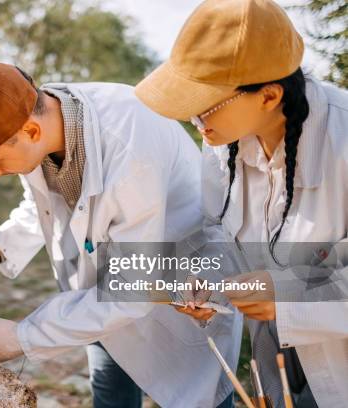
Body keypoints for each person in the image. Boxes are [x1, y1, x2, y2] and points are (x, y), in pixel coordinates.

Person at [0, 62, 240, 408]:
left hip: (177, 286)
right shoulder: (43, 116)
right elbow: (44, 202)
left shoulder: (129, 146)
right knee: (111, 397)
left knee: (198, 399)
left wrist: (25, 336)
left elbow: (134, 285)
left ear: (31, 133)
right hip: (102, 295)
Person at [134, 0, 348, 407]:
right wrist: (208, 286)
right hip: (276, 352)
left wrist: (289, 296)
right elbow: (220, 230)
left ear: (268, 96)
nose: (195, 122)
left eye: (203, 109)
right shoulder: (225, 143)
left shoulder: (343, 135)